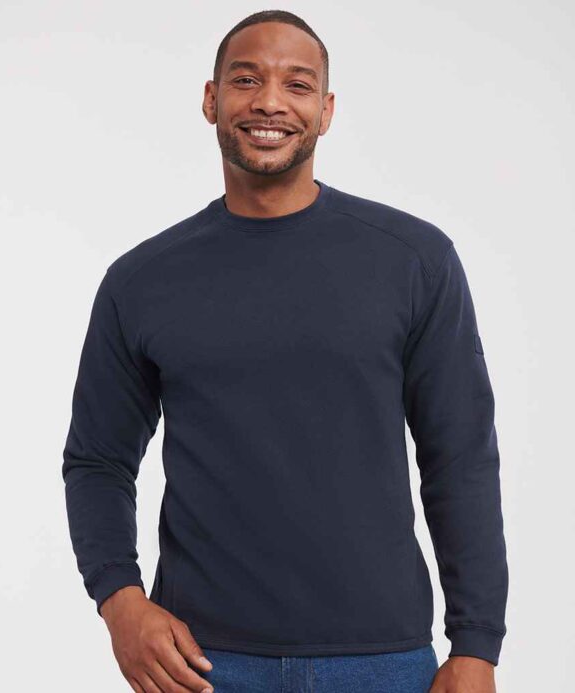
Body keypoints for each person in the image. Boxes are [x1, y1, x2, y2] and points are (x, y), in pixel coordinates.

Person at [62, 10, 509, 693]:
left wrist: (476, 645)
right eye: (246, 80)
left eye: (297, 84)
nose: (270, 101)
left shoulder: (414, 260)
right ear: (211, 99)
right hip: (199, 662)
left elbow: (461, 457)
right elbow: (97, 459)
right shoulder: (142, 280)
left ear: (325, 111)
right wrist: (119, 600)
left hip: (382, 662)